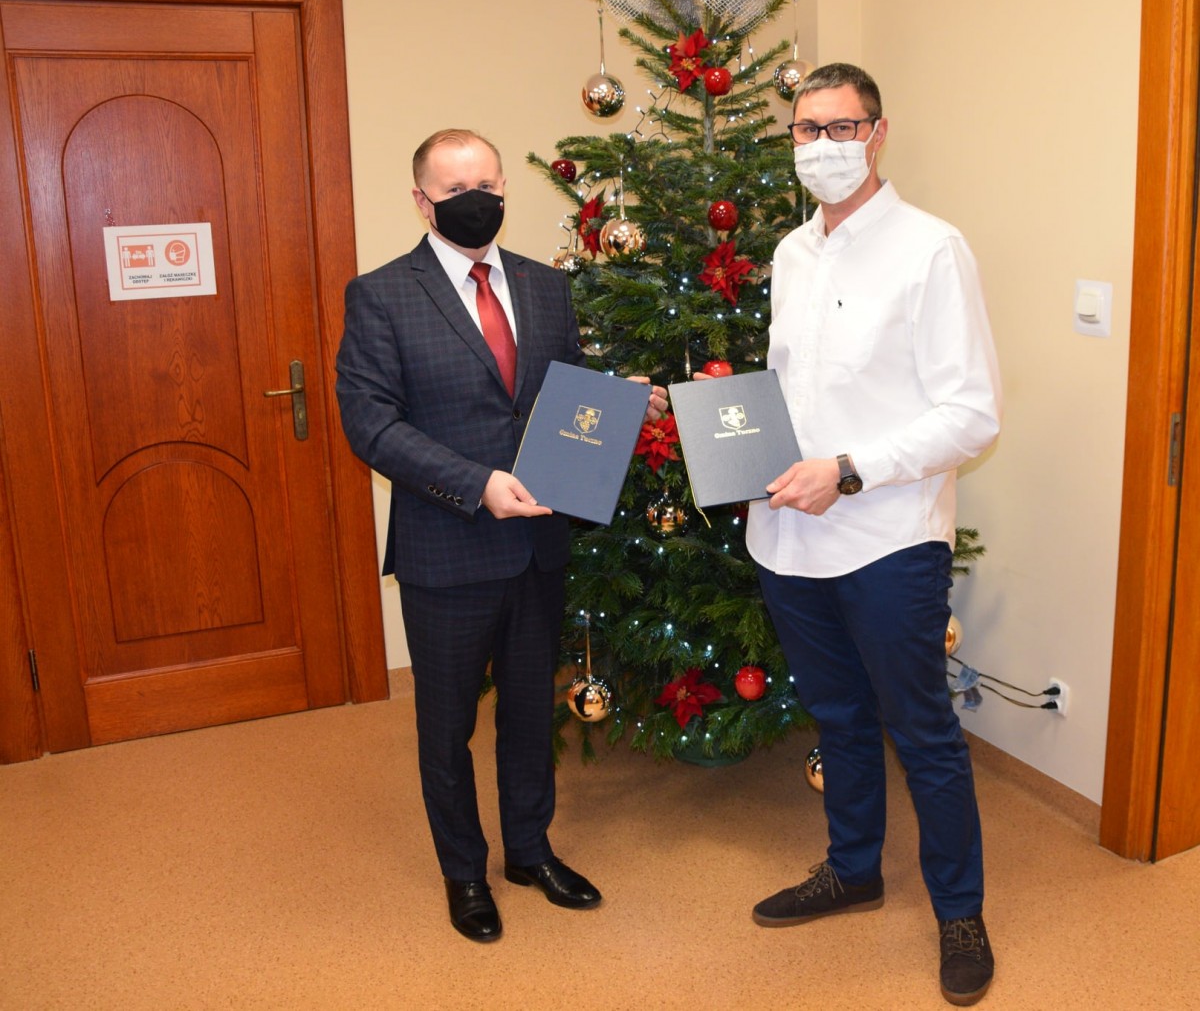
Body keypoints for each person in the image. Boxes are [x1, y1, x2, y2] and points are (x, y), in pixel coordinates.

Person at [335, 128, 667, 943]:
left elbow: (560, 399)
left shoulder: (545, 286)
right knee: (447, 725)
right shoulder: (381, 295)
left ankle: (529, 850)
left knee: (528, 713)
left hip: (537, 546)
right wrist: (476, 483)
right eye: (457, 190)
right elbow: (371, 425)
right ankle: (464, 872)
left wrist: (619, 399)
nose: (477, 200)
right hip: (447, 547)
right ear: (422, 202)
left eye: (488, 183)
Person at [745, 64, 1002, 1006]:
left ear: (877, 133)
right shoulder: (790, 252)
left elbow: (972, 415)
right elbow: (790, 389)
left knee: (922, 730)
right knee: (839, 717)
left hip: (888, 537)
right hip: (789, 538)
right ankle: (853, 869)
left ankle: (960, 912)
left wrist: (848, 469)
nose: (821, 146)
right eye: (805, 129)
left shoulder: (932, 249)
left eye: (840, 128)